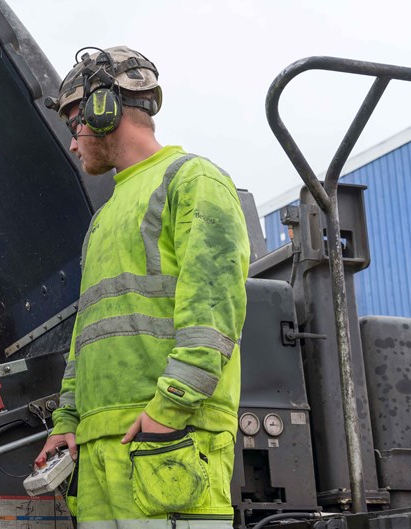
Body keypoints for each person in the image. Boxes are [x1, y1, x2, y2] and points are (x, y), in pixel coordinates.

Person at [35, 46, 250, 529]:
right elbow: (85, 338)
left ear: (103, 109)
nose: (74, 144)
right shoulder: (105, 219)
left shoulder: (192, 180)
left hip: (168, 440)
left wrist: (169, 411)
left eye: (75, 125)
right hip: (100, 452)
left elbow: (213, 313)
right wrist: (67, 424)